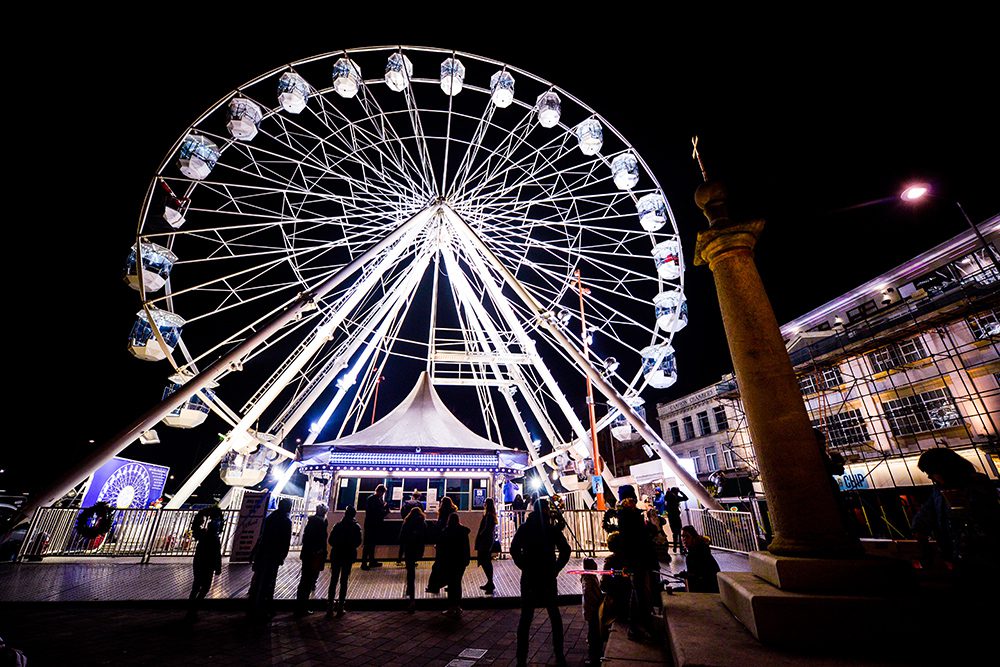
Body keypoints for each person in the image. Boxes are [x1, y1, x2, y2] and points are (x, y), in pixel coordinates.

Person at [911, 447, 1000, 590]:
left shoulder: (975, 485)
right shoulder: (939, 491)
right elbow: (924, 516)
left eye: (931, 472)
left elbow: (984, 515)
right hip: (957, 556)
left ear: (943, 468)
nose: (930, 477)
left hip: (983, 556)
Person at [510, 498, 571, 667]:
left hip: (530, 576)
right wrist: (556, 568)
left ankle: (521, 659)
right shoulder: (551, 530)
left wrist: (523, 565)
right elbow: (565, 550)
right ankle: (559, 654)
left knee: (526, 618)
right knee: (554, 615)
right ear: (545, 510)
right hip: (547, 575)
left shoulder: (525, 528)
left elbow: (514, 549)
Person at [615, 484, 657, 641]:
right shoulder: (629, 516)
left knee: (638, 591)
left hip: (637, 558)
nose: (633, 501)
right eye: (631, 498)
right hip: (637, 558)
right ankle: (640, 627)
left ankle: (637, 626)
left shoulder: (626, 515)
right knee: (640, 591)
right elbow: (635, 537)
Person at [248, 498, 293, 620]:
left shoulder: (270, 518)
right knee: (269, 581)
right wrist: (283, 555)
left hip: (263, 552)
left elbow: (262, 536)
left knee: (258, 580)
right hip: (274, 554)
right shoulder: (286, 522)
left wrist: (255, 552)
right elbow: (285, 541)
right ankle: (264, 608)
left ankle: (253, 606)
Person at [186, 505, 223, 621]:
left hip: (199, 561)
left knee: (196, 585)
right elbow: (217, 554)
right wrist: (218, 567)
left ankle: (191, 609)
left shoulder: (202, 535)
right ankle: (194, 608)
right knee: (205, 586)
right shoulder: (214, 539)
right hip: (208, 564)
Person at [327, 505, 362, 617]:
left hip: (337, 554)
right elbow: (358, 542)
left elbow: (331, 540)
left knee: (333, 581)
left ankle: (330, 607)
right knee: (344, 581)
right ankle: (341, 606)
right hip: (348, 555)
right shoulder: (356, 527)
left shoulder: (338, 525)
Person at [295, 504, 328, 616]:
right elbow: (321, 539)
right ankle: (302, 607)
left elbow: (306, 538)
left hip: (307, 554)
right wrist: (320, 551)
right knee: (309, 580)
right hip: (315, 554)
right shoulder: (321, 523)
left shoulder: (311, 522)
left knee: (304, 579)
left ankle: (299, 606)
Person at [439, 512, 471, 616]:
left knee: (451, 583)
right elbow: (466, 546)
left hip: (450, 560)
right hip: (461, 560)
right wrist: (467, 559)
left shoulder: (446, 531)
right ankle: (457, 606)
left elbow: (443, 547)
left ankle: (451, 607)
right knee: (457, 583)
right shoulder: (463, 532)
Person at [426, 496, 458, 594]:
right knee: (449, 565)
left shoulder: (443, 514)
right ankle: (450, 584)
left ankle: (434, 586)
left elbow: (440, 528)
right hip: (451, 543)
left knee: (437, 566)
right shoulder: (453, 513)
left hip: (443, 543)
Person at [677, 525, 720, 593]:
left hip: (707, 589)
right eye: (682, 536)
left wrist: (687, 575)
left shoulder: (697, 553)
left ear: (693, 538)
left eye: (687, 536)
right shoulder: (697, 550)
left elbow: (701, 576)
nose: (684, 539)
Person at [399, 506, 427, 612]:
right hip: (418, 549)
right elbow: (425, 536)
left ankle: (411, 596)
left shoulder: (407, 522)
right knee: (412, 569)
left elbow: (401, 537)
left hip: (409, 548)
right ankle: (410, 594)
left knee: (410, 571)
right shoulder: (423, 523)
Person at [581, 557, 604, 667]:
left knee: (593, 629)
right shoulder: (590, 579)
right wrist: (598, 600)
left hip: (591, 609)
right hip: (593, 608)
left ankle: (593, 653)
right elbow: (589, 594)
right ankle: (594, 653)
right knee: (594, 629)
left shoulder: (588, 578)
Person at [361, 484, 389, 569]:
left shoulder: (373, 499)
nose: (382, 494)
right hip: (372, 524)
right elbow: (376, 512)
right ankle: (364, 563)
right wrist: (385, 509)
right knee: (369, 544)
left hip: (371, 524)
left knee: (371, 544)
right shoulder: (374, 499)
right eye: (383, 492)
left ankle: (371, 561)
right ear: (380, 491)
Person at [475, 497, 499, 594]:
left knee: (485, 561)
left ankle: (490, 582)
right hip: (488, 541)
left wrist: (480, 536)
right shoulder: (491, 515)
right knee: (486, 561)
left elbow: (486, 529)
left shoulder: (488, 516)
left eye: (485, 502)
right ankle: (490, 582)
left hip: (485, 541)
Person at [664, 487, 688, 554]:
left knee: (674, 532)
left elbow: (665, 498)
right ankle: (681, 548)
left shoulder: (668, 497)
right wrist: (680, 491)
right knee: (679, 532)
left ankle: (675, 547)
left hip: (671, 517)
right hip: (676, 516)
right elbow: (686, 498)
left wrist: (668, 492)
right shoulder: (676, 498)